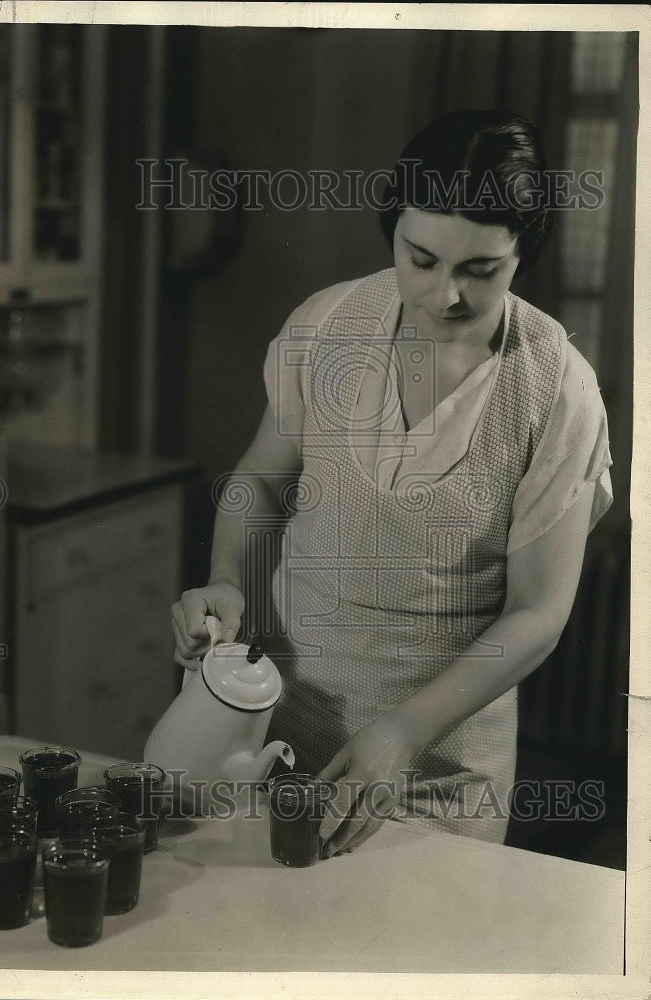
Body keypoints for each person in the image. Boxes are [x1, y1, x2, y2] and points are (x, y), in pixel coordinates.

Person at [171, 109, 613, 855]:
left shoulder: (557, 389)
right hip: (275, 725)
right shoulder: (325, 327)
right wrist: (225, 578)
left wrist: (405, 731)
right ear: (394, 231)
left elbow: (538, 610)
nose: (445, 295)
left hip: (437, 769)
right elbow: (261, 479)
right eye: (421, 258)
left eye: (480, 271)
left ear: (522, 255)